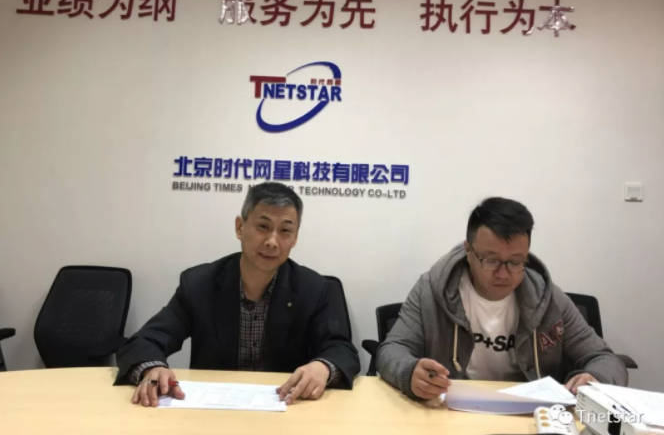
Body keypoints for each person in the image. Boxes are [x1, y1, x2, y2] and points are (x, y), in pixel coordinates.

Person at [115, 182, 360, 407]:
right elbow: (144, 341)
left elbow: (341, 349)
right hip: (214, 412)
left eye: (285, 231)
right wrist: (153, 369)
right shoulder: (199, 284)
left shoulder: (313, 288)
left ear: (295, 238)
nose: (272, 241)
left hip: (287, 410)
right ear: (240, 227)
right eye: (263, 227)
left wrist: (323, 367)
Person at [376, 197, 627, 401]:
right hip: (451, 411)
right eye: (491, 260)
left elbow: (606, 360)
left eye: (516, 262)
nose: (504, 273)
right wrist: (409, 372)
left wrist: (595, 379)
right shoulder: (431, 291)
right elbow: (391, 350)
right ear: (468, 251)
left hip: (527, 415)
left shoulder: (548, 299)